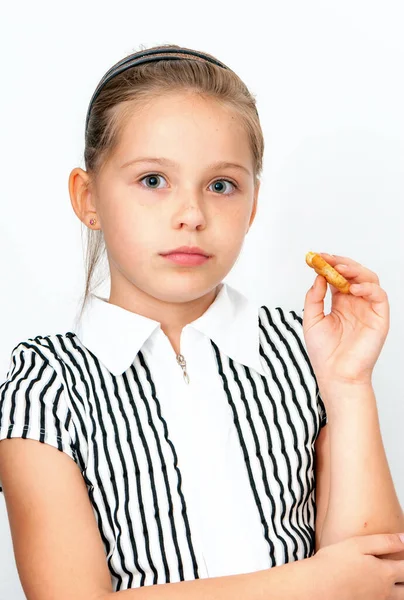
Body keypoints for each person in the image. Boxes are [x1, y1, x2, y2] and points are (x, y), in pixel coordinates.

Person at [0, 44, 403, 600]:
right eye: (152, 180)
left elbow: (378, 577)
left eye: (221, 185)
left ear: (253, 204)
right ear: (88, 197)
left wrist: (349, 384)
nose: (191, 213)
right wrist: (312, 583)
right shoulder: (47, 383)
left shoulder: (305, 348)